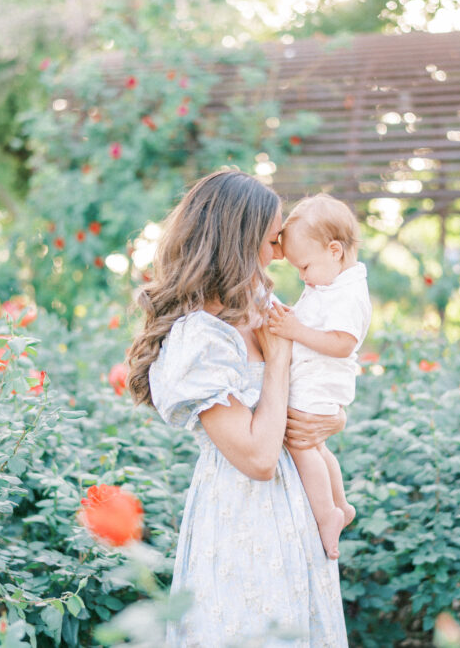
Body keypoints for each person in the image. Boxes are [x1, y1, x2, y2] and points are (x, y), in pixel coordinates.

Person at [126, 170, 348, 646]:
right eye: (272, 242)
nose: (280, 255)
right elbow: (258, 459)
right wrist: (280, 358)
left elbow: (311, 390)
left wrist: (333, 418)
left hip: (298, 512)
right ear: (237, 241)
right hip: (241, 516)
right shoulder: (199, 337)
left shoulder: (261, 303)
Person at [266, 194, 370, 560]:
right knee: (317, 447)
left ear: (335, 250)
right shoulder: (327, 286)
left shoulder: (347, 295)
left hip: (320, 384)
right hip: (318, 383)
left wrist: (294, 330)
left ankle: (327, 514)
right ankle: (340, 505)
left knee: (301, 444)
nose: (301, 276)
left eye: (305, 266)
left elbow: (342, 343)